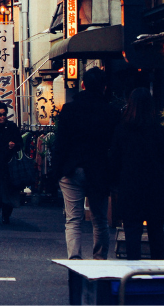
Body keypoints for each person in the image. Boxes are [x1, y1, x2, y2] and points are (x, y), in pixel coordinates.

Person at [53, 67, 121, 259]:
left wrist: (57, 171)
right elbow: (115, 146)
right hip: (99, 169)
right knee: (99, 219)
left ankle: (75, 260)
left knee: (73, 219)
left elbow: (61, 142)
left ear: (83, 85)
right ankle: (99, 259)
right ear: (104, 87)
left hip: (72, 168)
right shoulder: (112, 112)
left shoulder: (69, 109)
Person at [110, 88, 164, 260]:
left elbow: (114, 160)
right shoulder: (159, 131)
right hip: (155, 187)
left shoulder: (121, 130)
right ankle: (158, 272)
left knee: (132, 231)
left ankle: (133, 274)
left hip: (130, 186)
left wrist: (115, 183)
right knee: (156, 231)